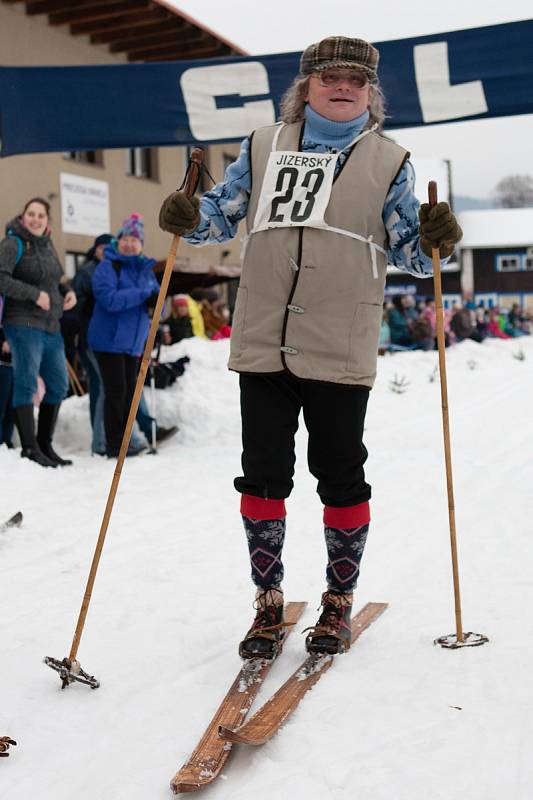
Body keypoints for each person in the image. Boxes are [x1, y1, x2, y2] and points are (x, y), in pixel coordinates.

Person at [158, 36, 462, 658]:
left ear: (371, 93)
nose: (343, 86)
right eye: (330, 77)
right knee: (263, 474)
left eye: (356, 78)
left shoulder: (389, 160)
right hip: (264, 336)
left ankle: (337, 603)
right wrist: (188, 213)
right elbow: (221, 213)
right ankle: (269, 604)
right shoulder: (263, 145)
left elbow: (411, 253)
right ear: (306, 87)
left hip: (339, 339)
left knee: (341, 474)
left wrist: (437, 240)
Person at [0, 197, 76, 467]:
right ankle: (30, 449)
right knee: (26, 382)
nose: (35, 219)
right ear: (23, 217)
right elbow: (1, 278)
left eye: (40, 215)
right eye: (30, 214)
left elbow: (54, 279)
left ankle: (45, 444)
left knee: (58, 385)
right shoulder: (12, 243)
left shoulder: (47, 244)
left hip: (50, 325)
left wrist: (67, 292)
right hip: (22, 322)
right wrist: (34, 295)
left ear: (47, 221)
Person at [88, 213, 160, 458]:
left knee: (130, 393)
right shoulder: (108, 266)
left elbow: (155, 296)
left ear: (141, 245)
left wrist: (154, 301)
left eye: (135, 239)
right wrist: (142, 295)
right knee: (116, 392)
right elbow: (109, 300)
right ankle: (114, 444)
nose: (130, 243)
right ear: (118, 241)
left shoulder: (144, 270)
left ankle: (126, 439)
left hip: (132, 343)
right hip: (108, 340)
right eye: (126, 238)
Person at [72, 233, 113, 455]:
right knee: (105, 386)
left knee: (99, 386)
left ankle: (101, 439)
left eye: (109, 246)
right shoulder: (87, 271)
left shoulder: (116, 267)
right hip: (91, 336)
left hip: (110, 339)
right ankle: (100, 441)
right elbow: (74, 304)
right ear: (95, 249)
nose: (105, 250)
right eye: (101, 247)